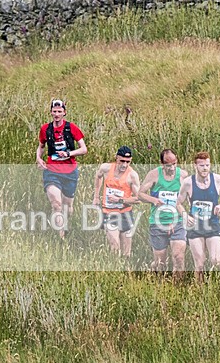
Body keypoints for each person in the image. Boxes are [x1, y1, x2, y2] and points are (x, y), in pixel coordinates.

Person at [177, 151, 220, 283]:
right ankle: (199, 291)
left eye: (207, 165)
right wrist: (184, 215)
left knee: (216, 261)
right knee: (200, 264)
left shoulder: (217, 179)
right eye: (202, 165)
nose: (205, 168)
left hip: (212, 224)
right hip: (195, 226)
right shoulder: (188, 183)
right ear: (195, 165)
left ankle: (216, 287)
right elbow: (178, 203)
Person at [36, 99, 88, 240]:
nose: (57, 114)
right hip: (52, 171)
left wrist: (69, 154)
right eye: (54, 111)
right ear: (51, 112)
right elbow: (41, 147)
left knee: (67, 207)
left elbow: (84, 149)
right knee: (56, 204)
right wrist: (38, 158)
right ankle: (61, 237)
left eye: (59, 111)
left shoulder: (71, 128)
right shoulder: (45, 129)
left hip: (70, 172)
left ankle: (67, 225)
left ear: (64, 112)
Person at [138, 149, 189, 282]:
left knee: (178, 257)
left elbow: (188, 197)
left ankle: (178, 288)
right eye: (168, 165)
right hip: (158, 223)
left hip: (177, 222)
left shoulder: (183, 175)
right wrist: (153, 200)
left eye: (174, 164)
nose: (172, 168)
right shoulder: (154, 175)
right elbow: (140, 194)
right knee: (160, 264)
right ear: (162, 164)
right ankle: (155, 276)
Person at [92, 146, 141, 257]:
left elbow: (139, 199)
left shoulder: (132, 175)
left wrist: (120, 200)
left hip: (125, 213)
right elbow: (98, 176)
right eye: (122, 161)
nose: (124, 165)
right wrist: (96, 196)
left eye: (127, 162)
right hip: (109, 212)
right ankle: (115, 268)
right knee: (114, 247)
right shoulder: (105, 168)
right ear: (116, 158)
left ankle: (126, 271)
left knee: (126, 254)